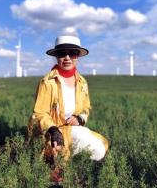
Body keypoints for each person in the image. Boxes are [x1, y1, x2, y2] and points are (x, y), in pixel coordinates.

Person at [28, 35, 109, 183]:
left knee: (98, 149)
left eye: (72, 53)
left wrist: (80, 118)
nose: (67, 57)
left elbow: (86, 108)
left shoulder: (82, 82)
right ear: (56, 57)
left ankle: (76, 177)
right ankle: (60, 177)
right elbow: (39, 113)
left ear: (77, 56)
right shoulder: (47, 82)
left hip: (72, 130)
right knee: (85, 143)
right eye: (61, 53)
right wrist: (52, 129)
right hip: (51, 134)